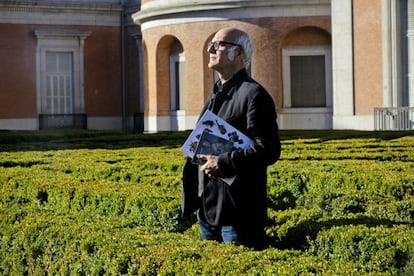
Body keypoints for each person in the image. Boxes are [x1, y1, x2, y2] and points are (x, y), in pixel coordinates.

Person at [181, 27, 281, 250]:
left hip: (238, 215)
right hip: (207, 210)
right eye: (210, 44)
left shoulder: (254, 94)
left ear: (239, 54)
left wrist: (224, 162)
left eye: (219, 44)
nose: (211, 49)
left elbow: (269, 150)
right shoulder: (217, 92)